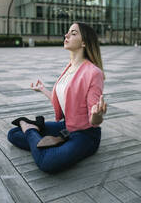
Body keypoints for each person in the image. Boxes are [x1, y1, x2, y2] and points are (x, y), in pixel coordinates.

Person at [7, 22, 107, 173]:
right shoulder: (69, 67)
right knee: (13, 134)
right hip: (67, 126)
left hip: (85, 135)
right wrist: (43, 90)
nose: (66, 35)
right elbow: (65, 101)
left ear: (84, 42)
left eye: (73, 33)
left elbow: (94, 120)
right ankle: (44, 138)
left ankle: (31, 129)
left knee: (48, 162)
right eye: (68, 32)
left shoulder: (93, 73)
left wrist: (97, 115)